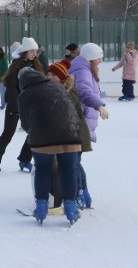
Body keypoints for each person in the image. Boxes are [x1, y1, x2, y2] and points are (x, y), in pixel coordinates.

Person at [17, 67, 83, 225]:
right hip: (71, 137)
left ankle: (41, 207)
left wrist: (35, 132)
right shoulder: (57, 86)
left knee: (42, 169)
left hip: (43, 140)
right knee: (68, 170)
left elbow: (26, 124)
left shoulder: (24, 95)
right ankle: (70, 207)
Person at [0, 37, 43, 174]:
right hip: (15, 105)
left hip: (31, 105)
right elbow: (11, 88)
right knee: (8, 134)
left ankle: (25, 159)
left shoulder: (36, 65)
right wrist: (16, 106)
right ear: (25, 51)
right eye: (32, 51)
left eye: (35, 51)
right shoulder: (16, 66)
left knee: (33, 132)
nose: (34, 54)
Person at [46, 60, 92, 213]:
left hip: (75, 135)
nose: (49, 76)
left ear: (61, 77)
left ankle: (79, 193)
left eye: (53, 74)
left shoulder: (67, 92)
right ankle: (84, 193)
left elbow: (71, 116)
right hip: (71, 134)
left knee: (73, 166)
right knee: (75, 165)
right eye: (48, 73)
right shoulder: (59, 89)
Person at [69, 43, 109, 209]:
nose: (100, 61)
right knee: (74, 161)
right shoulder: (83, 71)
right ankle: (80, 193)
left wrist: (98, 96)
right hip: (80, 120)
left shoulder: (81, 66)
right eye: (98, 58)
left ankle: (83, 193)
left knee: (76, 161)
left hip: (82, 118)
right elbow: (84, 91)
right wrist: (98, 105)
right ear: (91, 58)